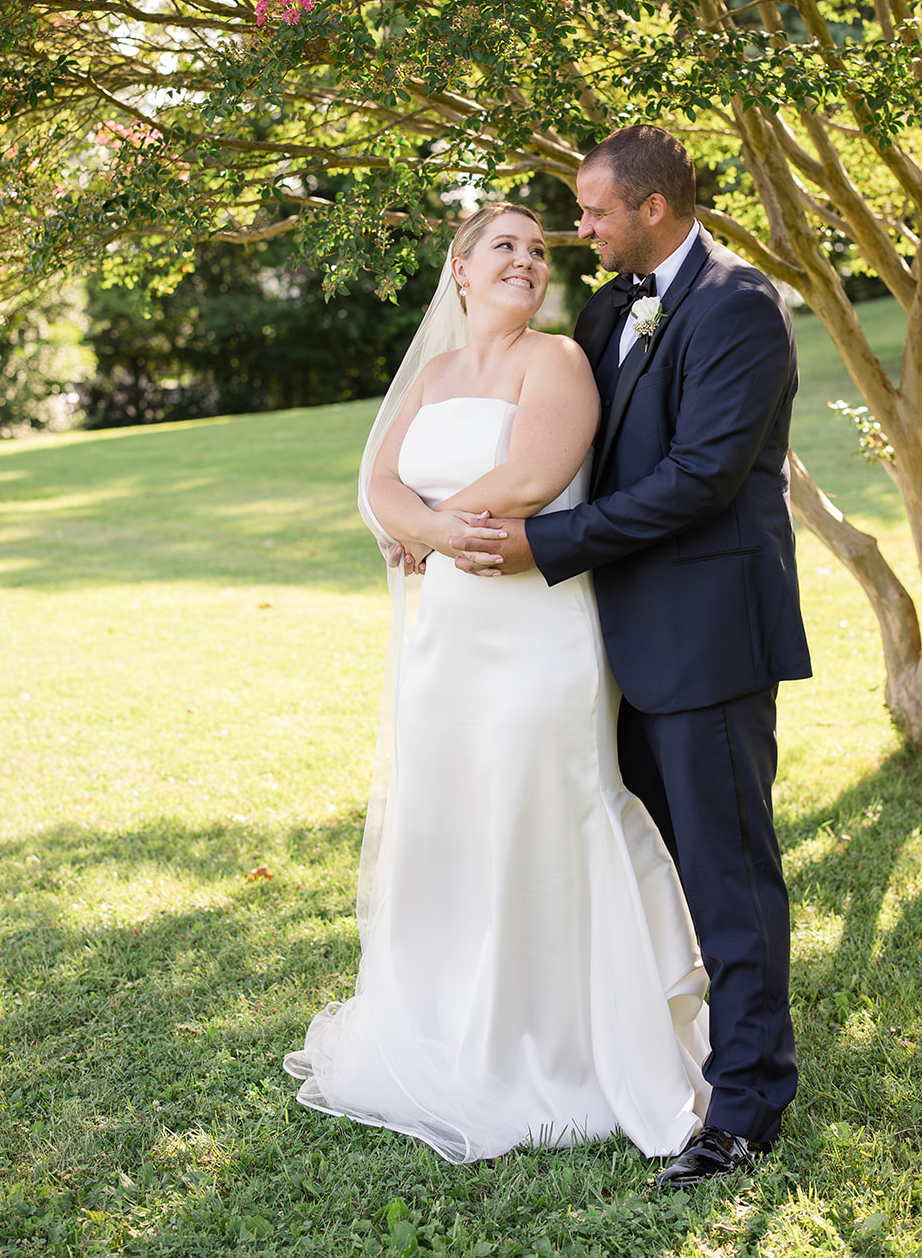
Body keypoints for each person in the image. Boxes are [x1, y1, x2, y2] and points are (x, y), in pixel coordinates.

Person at [284, 201, 713, 1164]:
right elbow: (379, 482)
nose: (526, 261)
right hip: (446, 640)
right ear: (462, 271)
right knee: (455, 814)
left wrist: (427, 528)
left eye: (537, 249)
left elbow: (533, 475)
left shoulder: (554, 361)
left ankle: (567, 1040)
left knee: (542, 805)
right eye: (504, 247)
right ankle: (454, 1027)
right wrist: (416, 524)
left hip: (538, 632)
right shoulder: (434, 375)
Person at [450, 126, 812, 1187]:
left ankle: (744, 1108)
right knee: (648, 870)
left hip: (706, 640)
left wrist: (541, 544)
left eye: (594, 213)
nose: (581, 230)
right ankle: (666, 1053)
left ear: (649, 206)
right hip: (608, 650)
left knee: (727, 875)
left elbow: (700, 476)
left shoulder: (739, 307)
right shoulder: (613, 307)